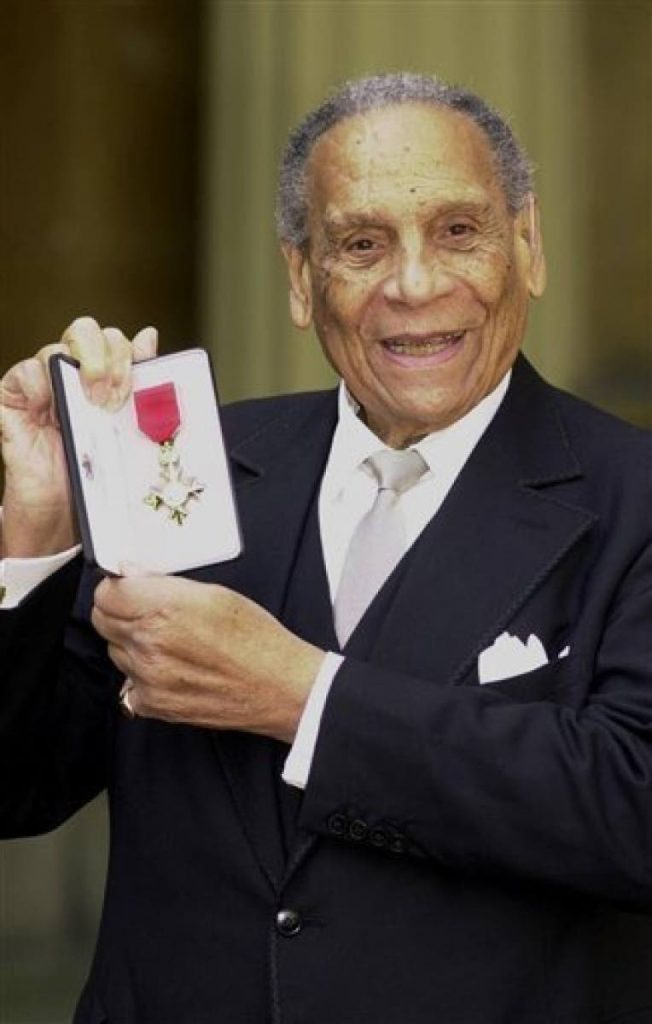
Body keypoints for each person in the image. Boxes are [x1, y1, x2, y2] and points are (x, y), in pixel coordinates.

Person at [1, 72, 651, 1024]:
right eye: (361, 243)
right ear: (304, 282)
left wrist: (306, 700)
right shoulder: (185, 465)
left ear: (529, 246)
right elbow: (18, 789)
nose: (415, 284)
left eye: (460, 232)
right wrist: (37, 542)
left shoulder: (632, 494)